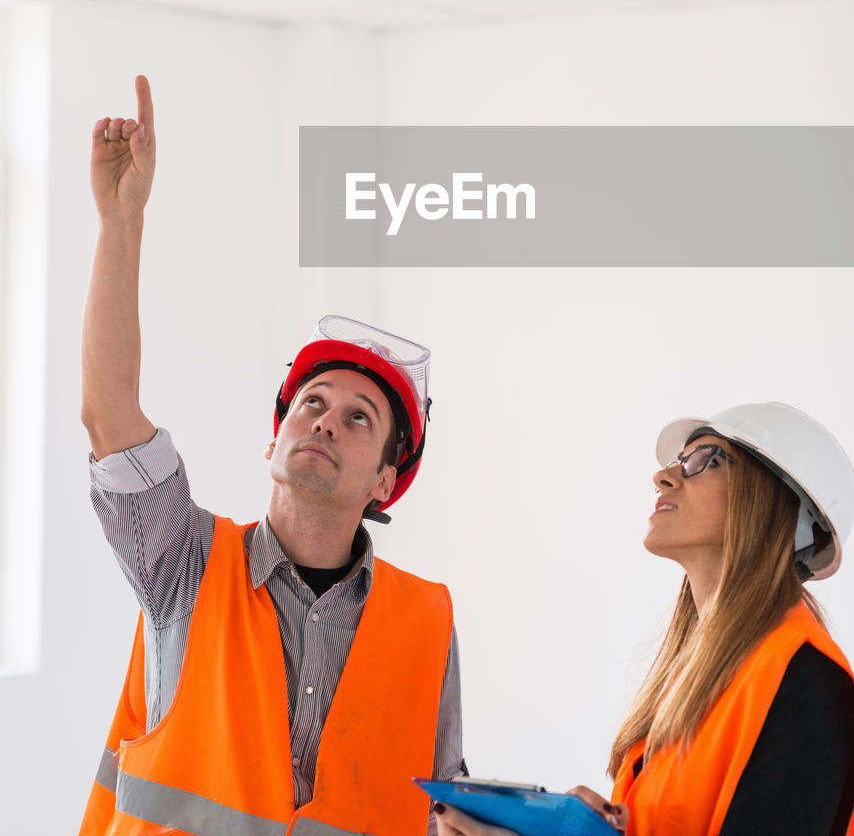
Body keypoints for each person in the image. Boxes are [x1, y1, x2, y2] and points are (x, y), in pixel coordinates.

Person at [79, 75, 464, 836]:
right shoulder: (185, 565)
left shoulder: (426, 621)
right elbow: (110, 416)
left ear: (386, 479)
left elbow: (440, 812)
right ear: (275, 439)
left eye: (359, 418)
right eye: (312, 403)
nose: (325, 420)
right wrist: (122, 222)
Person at [435, 401, 854, 836]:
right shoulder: (703, 681)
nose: (664, 476)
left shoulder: (808, 679)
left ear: (770, 500)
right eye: (678, 460)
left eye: (703, 461)